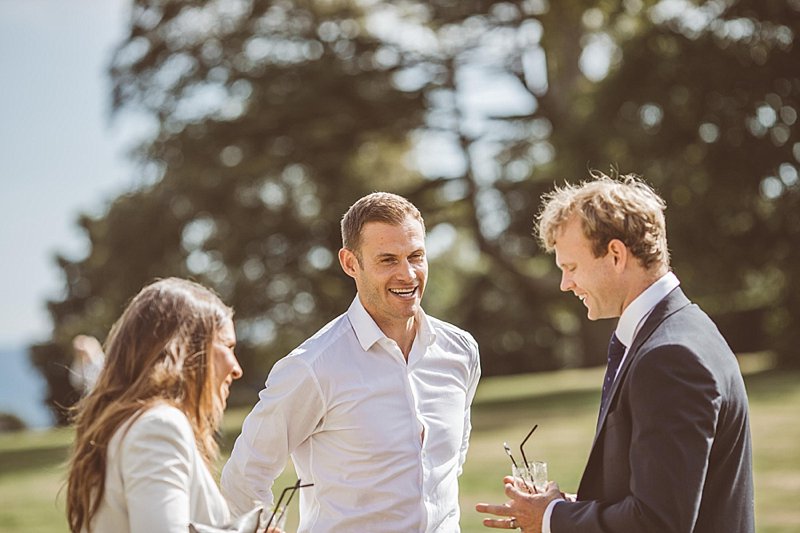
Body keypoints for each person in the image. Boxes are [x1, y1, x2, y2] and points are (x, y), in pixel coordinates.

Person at [476, 172, 754, 532]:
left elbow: (659, 522)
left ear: (616, 255)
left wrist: (550, 518)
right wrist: (567, 507)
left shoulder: (669, 357)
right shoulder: (682, 329)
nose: (565, 284)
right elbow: (659, 494)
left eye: (571, 267)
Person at [221, 192, 482, 532]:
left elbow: (448, 466)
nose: (408, 274)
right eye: (388, 260)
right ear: (350, 263)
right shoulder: (312, 367)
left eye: (416, 256)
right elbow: (243, 477)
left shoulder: (461, 351)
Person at [66, 277, 243, 533]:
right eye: (227, 346)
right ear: (189, 349)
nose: (237, 369)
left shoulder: (130, 424)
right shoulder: (159, 427)